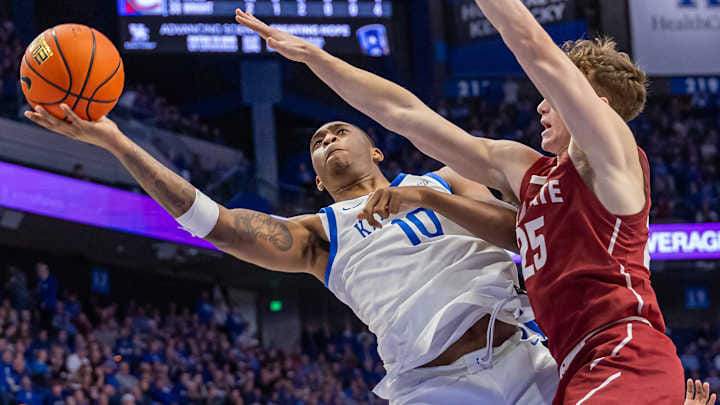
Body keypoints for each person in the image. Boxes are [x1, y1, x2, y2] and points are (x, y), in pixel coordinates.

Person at [233, 5, 688, 404]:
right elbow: (407, 116)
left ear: (596, 107)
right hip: (570, 361)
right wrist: (315, 56)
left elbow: (532, 44)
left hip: (621, 350)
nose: (540, 107)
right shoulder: (524, 169)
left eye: (553, 95)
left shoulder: (616, 164)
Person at [25, 105, 556, 404]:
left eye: (338, 131)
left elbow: (521, 235)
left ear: (376, 150)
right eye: (317, 143)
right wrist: (118, 142)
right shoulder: (319, 234)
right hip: (436, 388)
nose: (326, 139)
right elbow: (216, 224)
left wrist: (427, 198)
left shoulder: (444, 179)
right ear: (320, 183)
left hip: (526, 354)